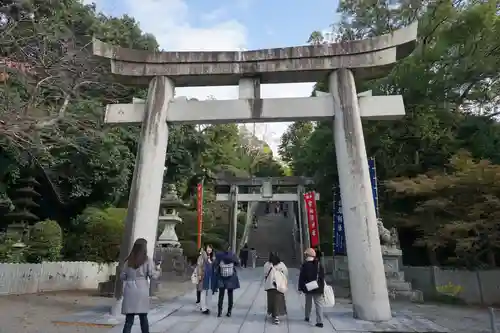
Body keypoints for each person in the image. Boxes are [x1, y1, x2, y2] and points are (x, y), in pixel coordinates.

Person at [120, 238, 161, 333]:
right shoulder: (147, 260)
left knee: (129, 320)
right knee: (143, 318)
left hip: (130, 290)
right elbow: (153, 275)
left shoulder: (128, 261)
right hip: (142, 289)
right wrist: (158, 270)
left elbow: (122, 276)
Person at [298, 248, 325, 328]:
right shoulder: (320, 265)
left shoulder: (305, 265)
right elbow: (322, 277)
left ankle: (307, 316)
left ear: (307, 255)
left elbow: (302, 277)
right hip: (318, 287)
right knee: (319, 305)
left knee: (308, 303)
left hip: (309, 287)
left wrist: (300, 287)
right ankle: (320, 322)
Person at [214, 246, 240, 317]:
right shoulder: (232, 255)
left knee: (221, 295)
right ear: (229, 248)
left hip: (221, 278)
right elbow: (237, 263)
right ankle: (229, 311)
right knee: (230, 295)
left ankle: (219, 312)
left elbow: (215, 264)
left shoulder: (219, 255)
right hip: (231, 278)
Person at [263, 252, 288, 325]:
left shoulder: (267, 265)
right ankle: (277, 315)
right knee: (278, 300)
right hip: (279, 285)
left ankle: (273, 313)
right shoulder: (281, 265)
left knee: (271, 300)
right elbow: (286, 273)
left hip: (270, 285)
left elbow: (265, 274)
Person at [195, 244, 216, 314]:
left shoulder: (213, 257)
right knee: (203, 292)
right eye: (208, 248)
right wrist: (199, 275)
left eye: (210, 248)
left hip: (211, 276)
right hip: (204, 276)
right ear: (205, 249)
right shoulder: (202, 256)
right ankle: (203, 308)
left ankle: (207, 307)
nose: (209, 249)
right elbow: (199, 266)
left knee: (209, 292)